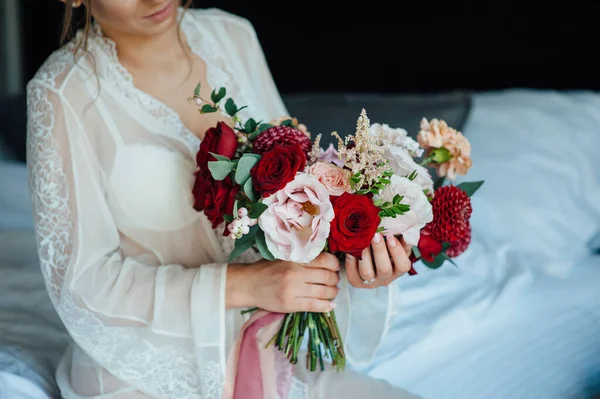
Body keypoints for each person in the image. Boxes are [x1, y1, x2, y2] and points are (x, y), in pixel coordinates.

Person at [25, 1, 422, 398]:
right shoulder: (60, 94)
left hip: (275, 345)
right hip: (144, 370)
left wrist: (351, 261)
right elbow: (82, 286)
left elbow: (302, 184)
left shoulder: (233, 37)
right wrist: (244, 286)